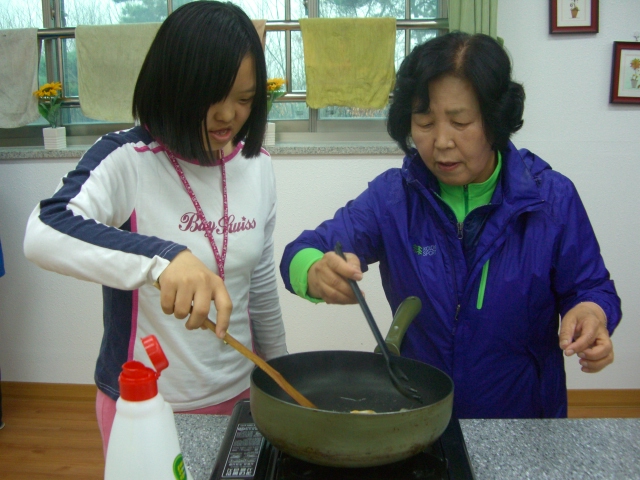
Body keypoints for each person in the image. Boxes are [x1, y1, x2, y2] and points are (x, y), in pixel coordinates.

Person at [280, 32, 621, 419]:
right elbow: (303, 248)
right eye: (424, 122)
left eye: (460, 122)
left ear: (494, 120)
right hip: (417, 413)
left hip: (524, 417)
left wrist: (593, 313)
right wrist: (311, 269)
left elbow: (591, 286)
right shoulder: (395, 198)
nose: (441, 142)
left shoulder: (551, 200)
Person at [24, 1, 286, 454]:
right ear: (175, 85)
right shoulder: (128, 158)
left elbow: (258, 282)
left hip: (244, 395)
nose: (229, 116)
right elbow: (44, 230)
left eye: (244, 100)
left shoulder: (255, 164)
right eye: (213, 96)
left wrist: (281, 375)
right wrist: (161, 258)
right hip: (147, 404)